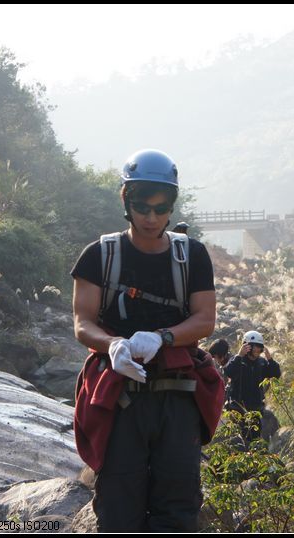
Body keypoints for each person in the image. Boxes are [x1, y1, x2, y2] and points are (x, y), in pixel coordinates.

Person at [71, 148, 221, 531]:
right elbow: (83, 322)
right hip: (121, 395)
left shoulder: (192, 256)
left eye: (161, 208)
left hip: (178, 396)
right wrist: (113, 345)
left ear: (172, 205)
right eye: (142, 208)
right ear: (126, 201)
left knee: (179, 502)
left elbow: (205, 319)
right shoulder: (99, 256)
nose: (152, 218)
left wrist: (162, 337)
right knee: (119, 505)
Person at [224, 330, 281, 447]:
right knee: (237, 442)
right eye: (255, 347)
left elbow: (275, 374)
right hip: (238, 408)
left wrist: (270, 359)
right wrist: (239, 356)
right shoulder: (238, 360)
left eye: (260, 348)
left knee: (253, 442)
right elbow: (229, 372)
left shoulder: (262, 363)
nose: (257, 350)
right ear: (247, 346)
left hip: (256, 409)